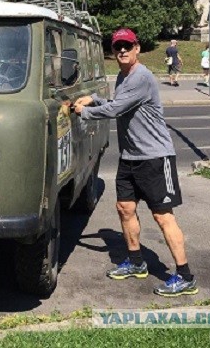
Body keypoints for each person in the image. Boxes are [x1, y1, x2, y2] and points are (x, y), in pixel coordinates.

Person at [73, 28, 198, 297]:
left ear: (137, 48)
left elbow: (115, 109)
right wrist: (95, 99)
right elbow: (120, 102)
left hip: (154, 157)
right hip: (130, 157)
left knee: (163, 217)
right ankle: (136, 261)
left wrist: (85, 110)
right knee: (124, 207)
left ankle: (185, 276)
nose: (122, 51)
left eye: (127, 46)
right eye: (118, 46)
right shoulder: (123, 76)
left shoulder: (141, 77)